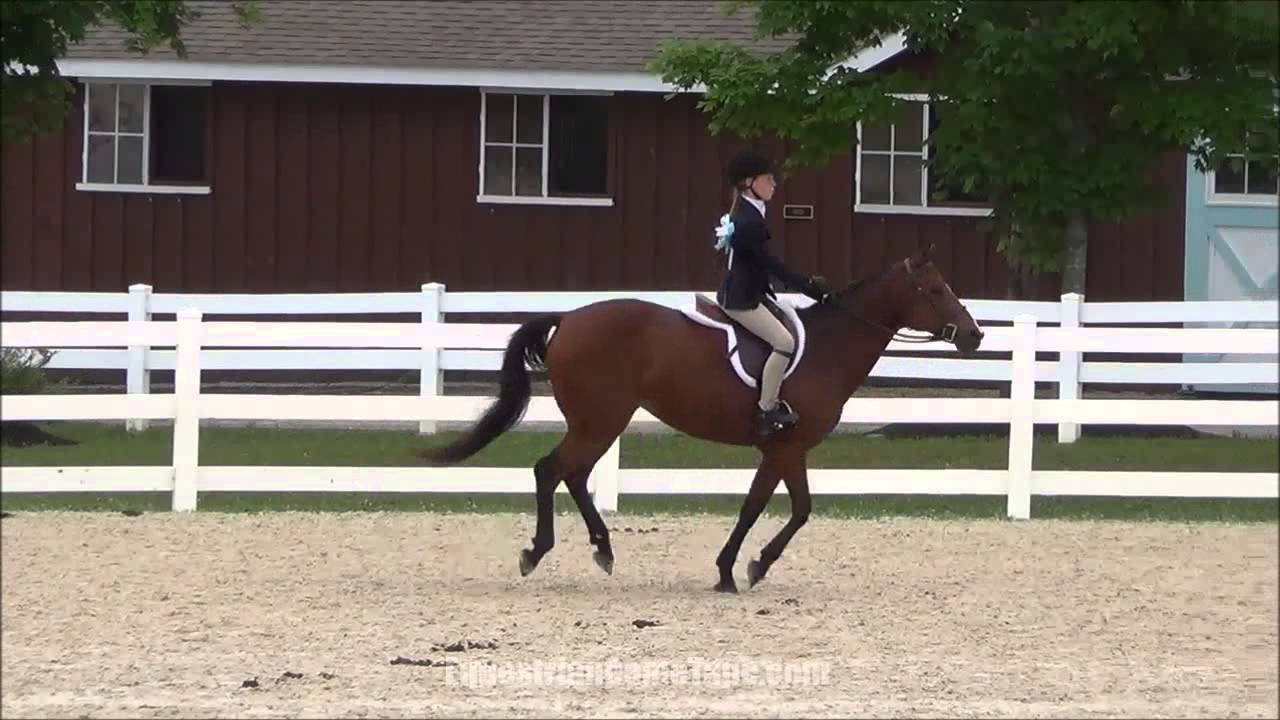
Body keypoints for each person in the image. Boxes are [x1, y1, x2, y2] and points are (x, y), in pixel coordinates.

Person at [714, 148, 831, 437]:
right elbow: (769, 264)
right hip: (742, 299)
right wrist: (807, 286)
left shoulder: (748, 212)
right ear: (748, 184)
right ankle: (767, 409)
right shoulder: (748, 221)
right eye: (768, 179)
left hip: (750, 291)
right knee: (784, 342)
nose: (774, 184)